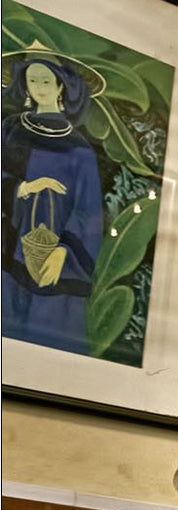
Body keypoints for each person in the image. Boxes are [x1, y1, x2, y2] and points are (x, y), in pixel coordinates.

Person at [2, 47, 104, 354]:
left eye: (46, 80)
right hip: (7, 253)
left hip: (55, 262)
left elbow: (89, 210)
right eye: (32, 80)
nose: (39, 88)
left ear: (62, 86)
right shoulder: (9, 129)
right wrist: (24, 188)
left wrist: (63, 252)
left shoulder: (80, 149)